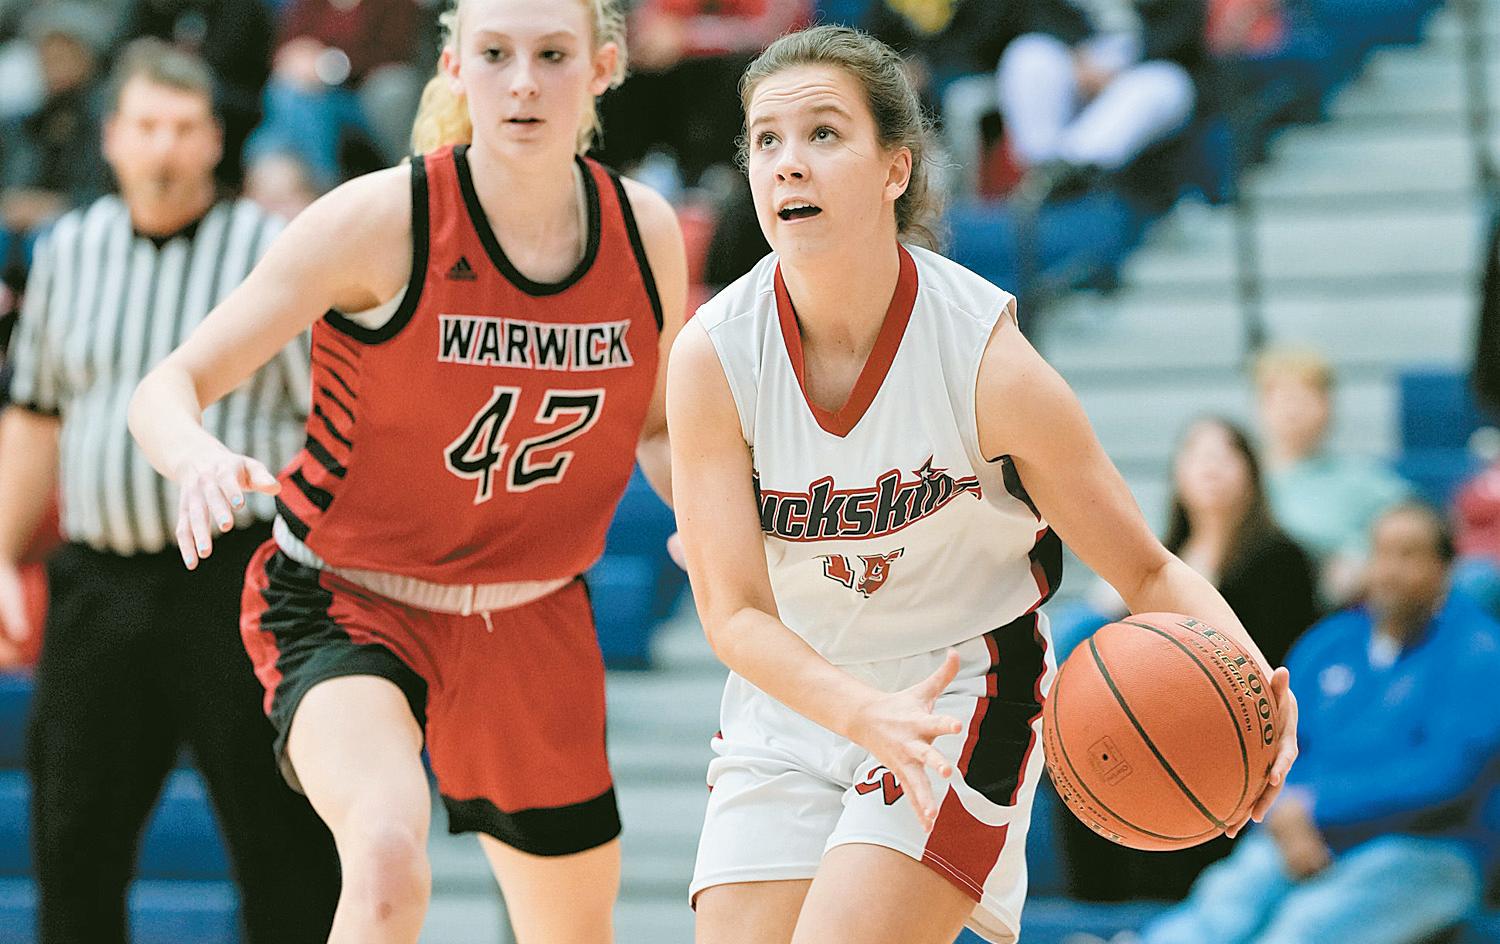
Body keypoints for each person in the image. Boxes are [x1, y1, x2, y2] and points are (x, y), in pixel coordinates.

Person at [667, 25, 1297, 944]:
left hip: (962, 692)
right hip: (797, 695)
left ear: (896, 169)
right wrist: (857, 711)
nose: (787, 162)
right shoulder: (714, 356)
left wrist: (1252, 681)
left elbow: (1146, 569)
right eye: (767, 140)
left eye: (823, 133)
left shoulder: (985, 361)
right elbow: (732, 615)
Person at [128, 0, 687, 941]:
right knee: (387, 856)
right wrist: (197, 457)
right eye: (495, 53)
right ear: (454, 65)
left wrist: (722, 530)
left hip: (531, 612)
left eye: (552, 55)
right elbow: (168, 385)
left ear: (601, 68)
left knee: (572, 930)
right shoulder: (382, 218)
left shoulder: (644, 232)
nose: (522, 82)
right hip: (350, 595)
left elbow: (661, 427)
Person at [0, 38, 340, 943]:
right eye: (147, 126)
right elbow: (35, 413)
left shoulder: (272, 251)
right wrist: (1, 552)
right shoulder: (67, 249)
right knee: (73, 845)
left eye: (185, 128)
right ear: (111, 136)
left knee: (283, 847)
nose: (164, 148)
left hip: (240, 580)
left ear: (215, 141)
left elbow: (331, 422)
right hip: (98, 580)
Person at [1096, 502, 1500, 944]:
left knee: (1303, 928)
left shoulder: (1477, 649)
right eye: (1382, 553)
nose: (1390, 571)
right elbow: (1277, 741)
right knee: (1228, 900)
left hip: (1427, 849)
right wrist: (1284, 811)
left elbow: (1447, 773)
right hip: (1303, 835)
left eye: (1409, 555)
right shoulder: (1329, 642)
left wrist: (1314, 807)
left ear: (1444, 568)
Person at [1054, 416, 1319, 902]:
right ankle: (1098, 917)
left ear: (1252, 472)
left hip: (1235, 723)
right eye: (1197, 454)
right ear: (1177, 473)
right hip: (1159, 711)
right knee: (1088, 754)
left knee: (1179, 769)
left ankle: (1163, 916)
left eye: (1226, 454)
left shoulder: (1281, 558)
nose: (1211, 466)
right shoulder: (1157, 557)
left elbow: (1285, 659)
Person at [996, 0, 1208, 205]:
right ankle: (1042, 172)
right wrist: (1077, 60)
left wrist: (1117, 74)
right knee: (1029, 54)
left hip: (1145, 70)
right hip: (1077, 64)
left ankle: (1070, 172)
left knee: (1155, 84)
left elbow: (1183, 33)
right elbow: (1035, 16)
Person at [1254, 345, 1411, 604]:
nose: (1293, 410)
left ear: (1328, 406)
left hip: (1340, 608)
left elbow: (1417, 525)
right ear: (1262, 406)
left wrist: (1365, 562)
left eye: (1305, 398)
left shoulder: (1362, 479)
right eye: (1283, 398)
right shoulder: (1240, 480)